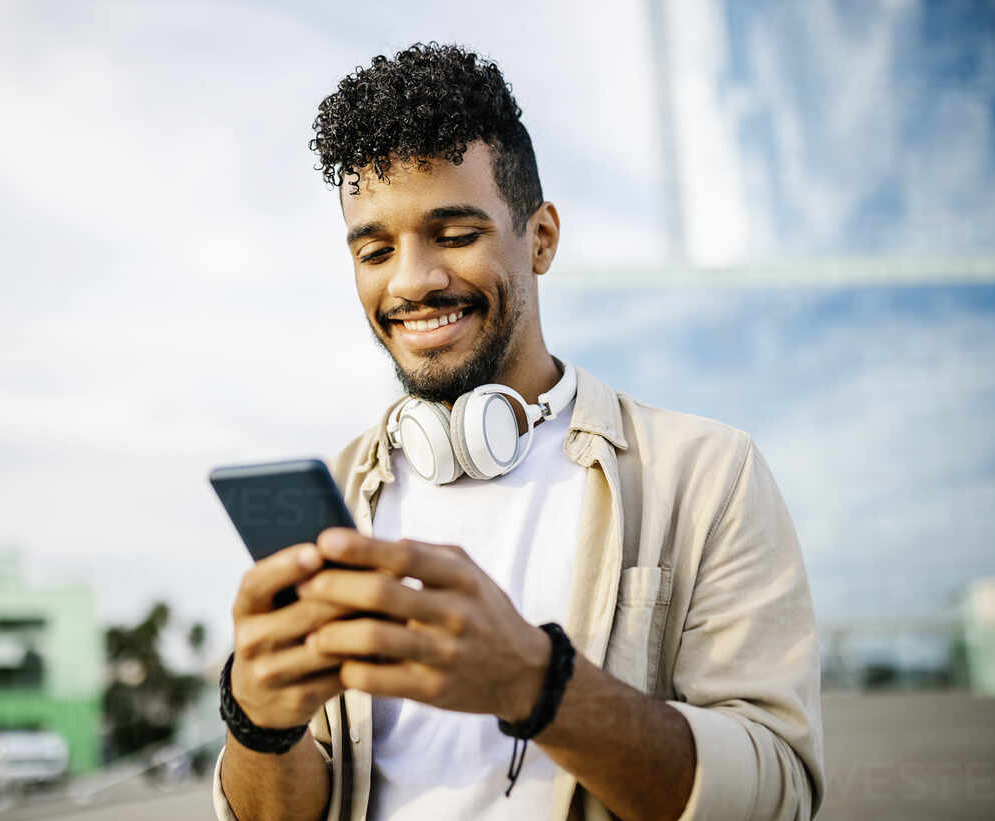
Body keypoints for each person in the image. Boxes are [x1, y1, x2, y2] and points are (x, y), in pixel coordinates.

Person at [213, 42, 824, 821]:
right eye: (375, 249)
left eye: (455, 233)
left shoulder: (707, 473)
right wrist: (259, 726)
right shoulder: (338, 491)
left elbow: (780, 795)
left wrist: (537, 682)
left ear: (540, 239)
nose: (410, 280)